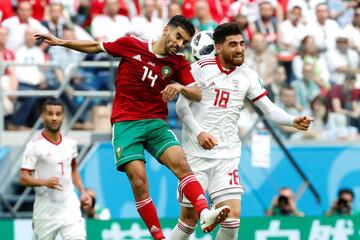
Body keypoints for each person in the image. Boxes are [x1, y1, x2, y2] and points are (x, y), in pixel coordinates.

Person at [35, 15, 230, 239]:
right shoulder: (131, 45)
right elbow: (96, 47)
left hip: (155, 123)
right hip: (126, 124)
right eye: (178, 37)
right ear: (166, 30)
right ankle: (159, 237)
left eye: (184, 42)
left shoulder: (178, 63)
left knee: (181, 163)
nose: (179, 44)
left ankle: (205, 212)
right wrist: (61, 42)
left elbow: (196, 93)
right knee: (139, 181)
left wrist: (179, 88)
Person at [171, 22, 312, 240]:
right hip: (195, 156)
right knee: (189, 221)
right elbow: (181, 107)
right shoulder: (199, 68)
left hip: (227, 156)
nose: (239, 49)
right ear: (218, 47)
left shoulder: (247, 75)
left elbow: (268, 108)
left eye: (242, 44)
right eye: (233, 44)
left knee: (233, 219)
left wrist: (293, 121)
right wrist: (199, 132)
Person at [19, 98, 93, 240]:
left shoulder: (70, 144)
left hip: (69, 209)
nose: (54, 117)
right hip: (45, 213)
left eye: (58, 114)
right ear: (43, 116)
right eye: (50, 114)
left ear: (63, 117)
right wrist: (44, 182)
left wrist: (83, 192)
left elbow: (73, 170)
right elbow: (23, 178)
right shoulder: (34, 146)